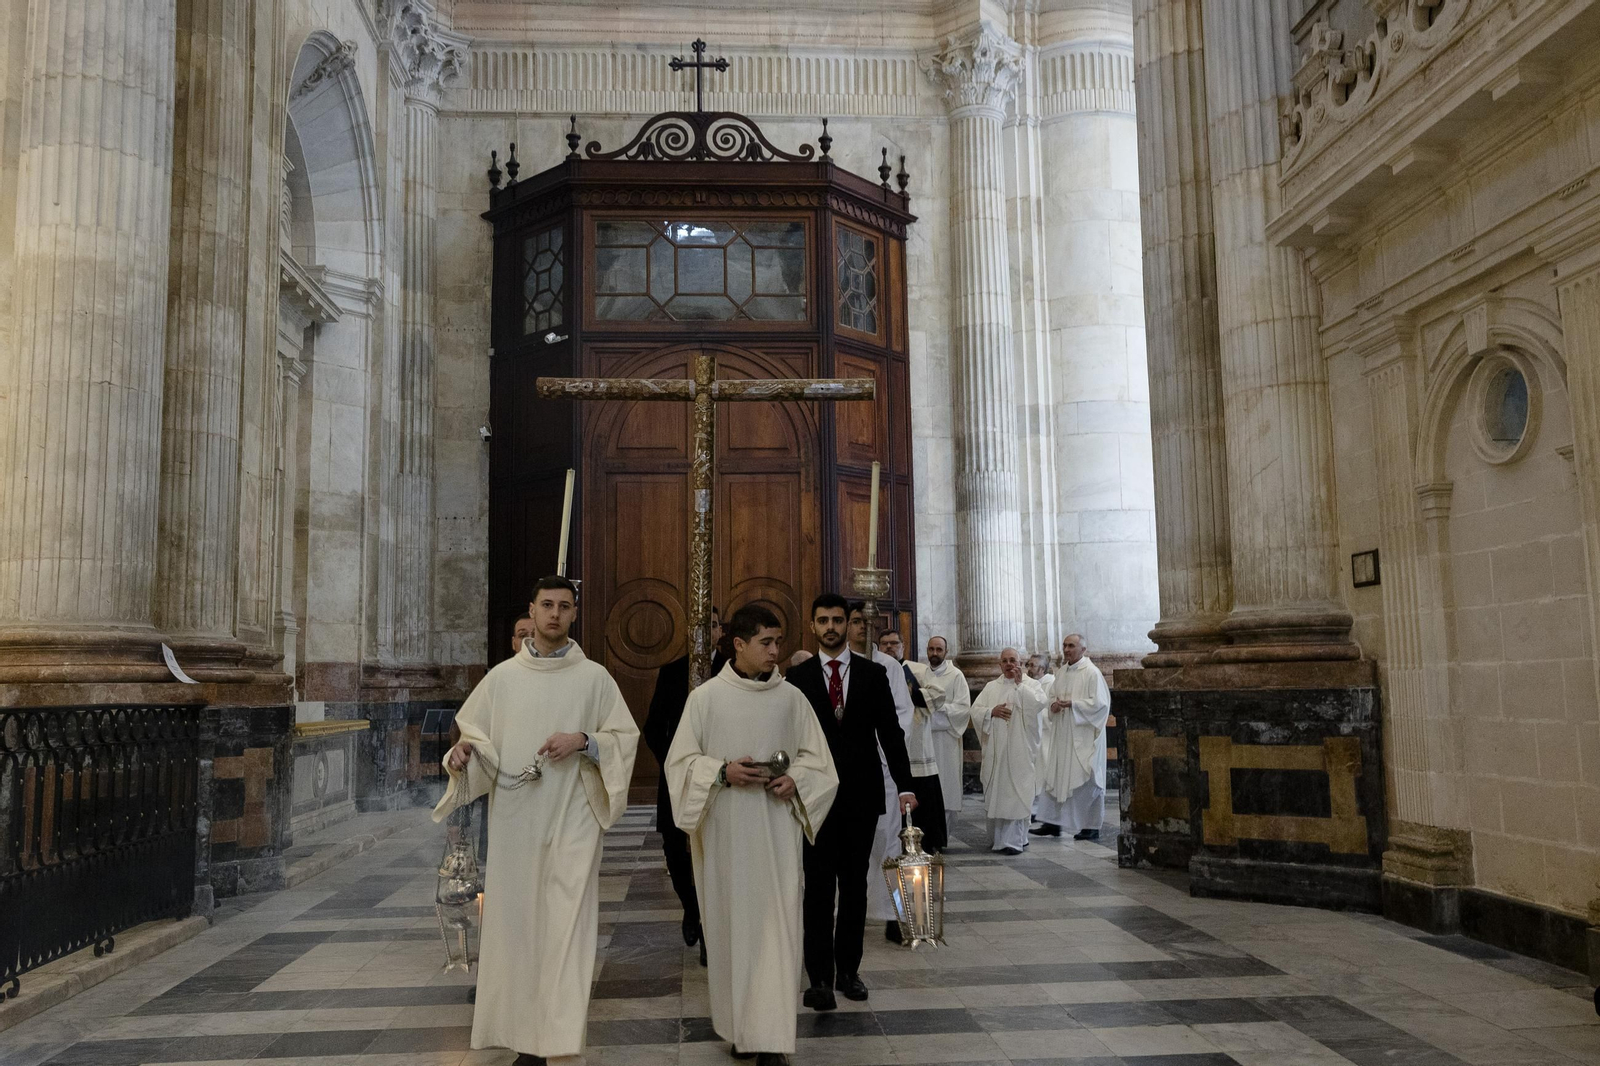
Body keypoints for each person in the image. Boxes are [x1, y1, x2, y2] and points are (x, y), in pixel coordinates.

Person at [435, 576, 639, 1066]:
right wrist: (461, 754)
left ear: (574, 614)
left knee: (567, 928)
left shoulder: (595, 679)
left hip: (574, 820)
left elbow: (623, 739)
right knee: (518, 929)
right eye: (546, 605)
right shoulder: (502, 678)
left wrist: (584, 740)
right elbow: (476, 744)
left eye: (564, 607)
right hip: (517, 824)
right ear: (532, 609)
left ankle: (559, 1039)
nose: (554, 614)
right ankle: (528, 1042)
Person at [664, 604, 838, 1066]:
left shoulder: (791, 699)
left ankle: (773, 1040)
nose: (776, 651)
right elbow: (678, 764)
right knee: (730, 932)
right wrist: (721, 771)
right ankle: (742, 1028)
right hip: (726, 836)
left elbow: (821, 762)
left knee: (778, 930)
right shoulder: (705, 700)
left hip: (777, 835)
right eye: (766, 642)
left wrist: (796, 779)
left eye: (779, 641)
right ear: (738, 645)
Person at [785, 593, 916, 1011]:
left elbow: (891, 735)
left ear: (849, 624)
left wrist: (907, 784)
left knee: (855, 887)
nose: (830, 627)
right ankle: (819, 978)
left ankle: (849, 971)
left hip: (861, 795)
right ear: (812, 625)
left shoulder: (873, 675)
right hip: (815, 799)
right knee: (818, 888)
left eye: (838, 620)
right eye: (822, 619)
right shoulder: (797, 679)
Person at [643, 607, 725, 962]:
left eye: (712, 625)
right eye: (700, 626)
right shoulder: (673, 672)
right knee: (676, 854)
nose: (706, 631)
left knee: (716, 855)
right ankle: (691, 908)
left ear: (722, 630)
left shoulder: (734, 671)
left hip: (725, 781)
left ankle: (712, 931)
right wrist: (678, 765)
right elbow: (653, 727)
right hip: (678, 782)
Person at [851, 609, 922, 944]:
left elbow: (902, 715)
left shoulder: (889, 667)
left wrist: (875, 748)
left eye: (867, 624)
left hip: (881, 767)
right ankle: (848, 911)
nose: (861, 628)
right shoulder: (837, 664)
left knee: (889, 841)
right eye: (855, 622)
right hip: (844, 770)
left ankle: (894, 914)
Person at [1035, 633, 1112, 840]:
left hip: (1084, 735)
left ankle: (1091, 826)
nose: (1067, 649)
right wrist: (1053, 705)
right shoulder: (1061, 672)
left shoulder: (1092, 673)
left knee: (1087, 777)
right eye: (1064, 646)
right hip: (1062, 733)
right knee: (1056, 774)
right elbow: (1051, 697)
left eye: (1071, 646)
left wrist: (1073, 705)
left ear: (1083, 650)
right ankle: (1052, 822)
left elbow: (1101, 705)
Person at [878, 629, 946, 857]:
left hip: (916, 741)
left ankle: (926, 843)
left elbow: (938, 694)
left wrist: (910, 694)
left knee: (921, 795)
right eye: (884, 643)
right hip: (886, 742)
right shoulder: (876, 668)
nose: (889, 647)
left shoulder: (917, 670)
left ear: (903, 645)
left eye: (894, 643)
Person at [971, 648, 1046, 855]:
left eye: (1013, 660)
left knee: (1017, 793)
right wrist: (990, 712)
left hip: (1020, 751)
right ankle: (998, 839)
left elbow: (1039, 704)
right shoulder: (991, 687)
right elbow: (975, 711)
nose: (1009, 664)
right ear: (1000, 665)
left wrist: (1021, 685)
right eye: (1004, 661)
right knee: (998, 793)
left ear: (1020, 663)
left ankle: (1015, 840)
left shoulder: (1032, 685)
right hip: (996, 753)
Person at [909, 636, 971, 833]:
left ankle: (943, 835)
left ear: (946, 651)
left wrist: (936, 708)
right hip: (922, 740)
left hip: (945, 740)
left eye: (938, 649)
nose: (934, 654)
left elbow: (963, 709)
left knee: (946, 787)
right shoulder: (920, 674)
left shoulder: (956, 675)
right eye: (931, 649)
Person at [1024, 652, 1055, 823]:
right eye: (1028, 665)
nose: (1028, 669)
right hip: (1033, 735)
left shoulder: (1051, 683)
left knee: (1045, 774)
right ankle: (1037, 810)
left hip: (1046, 736)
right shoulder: (1031, 684)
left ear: (1042, 669)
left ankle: (1048, 815)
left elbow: (1049, 709)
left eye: (1032, 665)